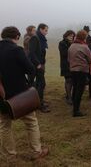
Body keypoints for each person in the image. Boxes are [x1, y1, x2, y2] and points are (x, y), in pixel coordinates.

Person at [0, 26, 48, 162]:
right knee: (31, 122)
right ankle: (36, 151)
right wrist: (30, 84)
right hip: (19, 94)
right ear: (17, 37)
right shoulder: (17, 50)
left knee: (4, 125)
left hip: (2, 95)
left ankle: (10, 155)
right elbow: (30, 68)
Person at [68, 30, 91, 117]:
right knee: (80, 90)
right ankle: (76, 111)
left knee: (75, 88)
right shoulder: (85, 47)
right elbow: (90, 60)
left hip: (73, 70)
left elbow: (68, 59)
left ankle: (74, 108)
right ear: (84, 37)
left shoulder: (71, 46)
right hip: (82, 71)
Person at [28, 23, 50, 113]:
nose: (47, 32)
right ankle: (39, 104)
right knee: (40, 84)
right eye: (45, 30)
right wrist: (38, 64)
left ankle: (38, 101)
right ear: (40, 29)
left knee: (39, 84)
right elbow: (32, 52)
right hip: (35, 65)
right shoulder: (35, 37)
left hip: (39, 64)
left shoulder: (40, 38)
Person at [58, 30, 75, 105]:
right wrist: (71, 46)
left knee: (72, 80)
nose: (71, 37)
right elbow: (64, 53)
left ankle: (69, 95)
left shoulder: (73, 43)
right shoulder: (62, 43)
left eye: (72, 36)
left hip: (73, 64)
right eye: (70, 36)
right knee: (68, 80)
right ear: (66, 36)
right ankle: (69, 97)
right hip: (65, 65)